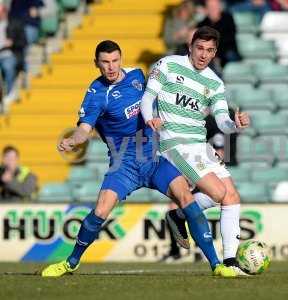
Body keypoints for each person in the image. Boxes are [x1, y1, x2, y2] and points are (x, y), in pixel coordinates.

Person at [41, 40, 236, 278]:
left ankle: (217, 265)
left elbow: (160, 97)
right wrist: (74, 140)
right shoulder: (96, 94)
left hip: (154, 156)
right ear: (96, 64)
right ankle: (71, 262)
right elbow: (84, 129)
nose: (111, 67)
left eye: (115, 61)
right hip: (124, 163)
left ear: (121, 59)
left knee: (186, 197)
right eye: (105, 62)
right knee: (101, 210)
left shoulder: (136, 75)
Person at [140, 26, 250, 274]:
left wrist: (235, 125)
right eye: (200, 48)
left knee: (231, 196)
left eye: (209, 50)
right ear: (191, 46)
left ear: (215, 52)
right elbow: (148, 98)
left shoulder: (214, 81)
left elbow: (222, 121)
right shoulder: (167, 65)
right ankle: (182, 218)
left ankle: (230, 261)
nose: (203, 55)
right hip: (174, 143)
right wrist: (150, 119)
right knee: (219, 192)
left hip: (200, 145)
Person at [197, 0, 241, 67]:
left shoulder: (228, 18)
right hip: (210, 53)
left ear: (220, 7)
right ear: (206, 9)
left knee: (230, 55)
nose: (213, 9)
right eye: (211, 7)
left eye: (215, 6)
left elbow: (230, 38)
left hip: (227, 51)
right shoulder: (202, 24)